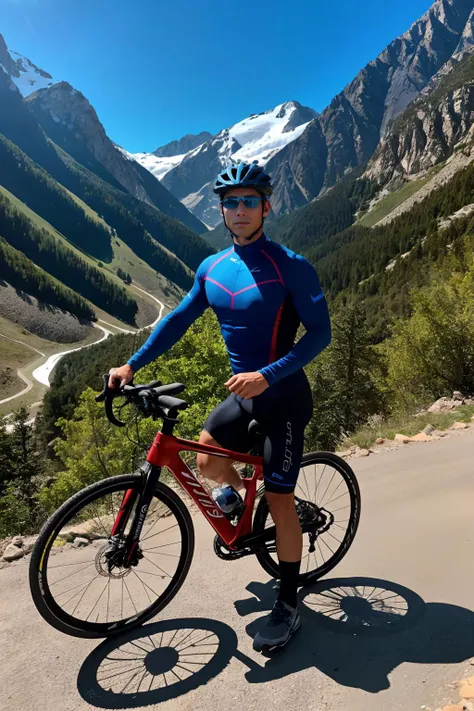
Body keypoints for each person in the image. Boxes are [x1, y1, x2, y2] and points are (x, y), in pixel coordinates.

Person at [108, 161, 331, 652]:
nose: (240, 210)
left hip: (284, 399)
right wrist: (132, 364)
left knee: (280, 502)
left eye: (250, 201)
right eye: (231, 203)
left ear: (266, 207)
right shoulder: (212, 268)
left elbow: (321, 334)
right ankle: (240, 508)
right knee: (207, 456)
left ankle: (289, 602)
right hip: (243, 397)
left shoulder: (290, 265)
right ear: (223, 211)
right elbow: (179, 319)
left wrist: (267, 374)